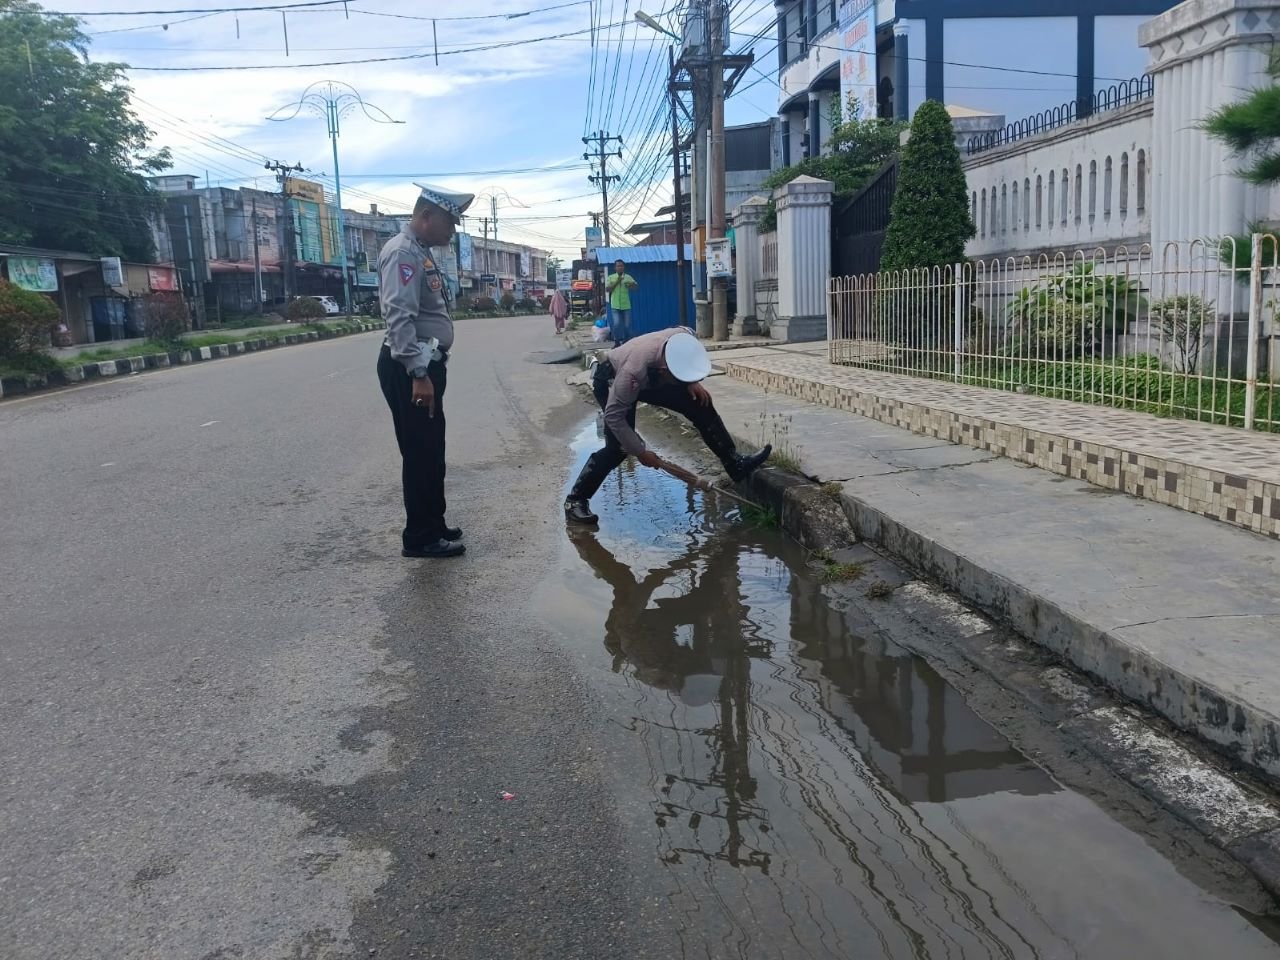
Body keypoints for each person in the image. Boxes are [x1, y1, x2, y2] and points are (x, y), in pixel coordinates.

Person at [564, 328, 772, 525]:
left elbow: (686, 338)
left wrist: (690, 381)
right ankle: (575, 500)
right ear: (665, 371)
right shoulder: (632, 374)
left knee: (699, 402)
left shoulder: (684, 338)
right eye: (678, 378)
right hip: (611, 379)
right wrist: (640, 451)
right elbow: (614, 416)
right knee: (618, 449)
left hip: (649, 375)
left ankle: (734, 463)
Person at [377, 182, 474, 559]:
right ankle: (420, 537)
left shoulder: (419, 251)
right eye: (449, 222)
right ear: (426, 216)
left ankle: (434, 523)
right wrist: (419, 373)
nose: (452, 230)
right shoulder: (403, 253)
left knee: (433, 449)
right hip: (410, 368)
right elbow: (398, 317)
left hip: (425, 365)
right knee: (420, 452)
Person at [605, 259, 637, 345]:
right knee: (617, 324)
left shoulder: (628, 277)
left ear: (624, 267)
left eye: (621, 266)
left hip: (626, 305)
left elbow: (635, 287)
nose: (620, 267)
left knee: (627, 326)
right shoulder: (611, 277)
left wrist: (631, 285)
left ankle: (625, 341)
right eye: (618, 266)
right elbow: (608, 289)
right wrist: (618, 281)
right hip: (615, 305)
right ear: (615, 268)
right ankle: (616, 341)